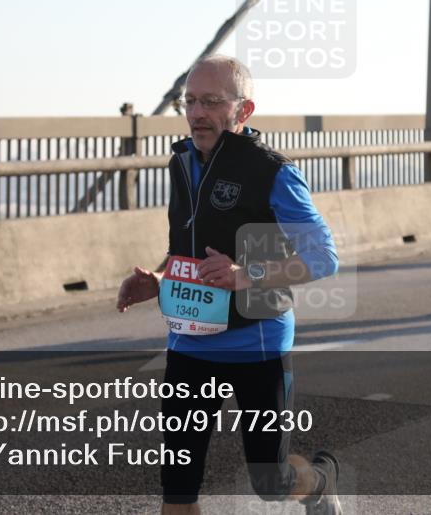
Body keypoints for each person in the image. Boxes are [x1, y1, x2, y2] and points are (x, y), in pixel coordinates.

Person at [116, 55, 342, 513]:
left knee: (271, 482)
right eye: (190, 101)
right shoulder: (181, 161)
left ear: (244, 110)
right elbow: (190, 250)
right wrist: (159, 280)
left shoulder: (272, 172)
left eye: (212, 102)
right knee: (177, 488)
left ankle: (318, 482)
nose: (197, 113)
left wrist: (247, 275)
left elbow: (324, 256)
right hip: (190, 340)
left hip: (256, 340)